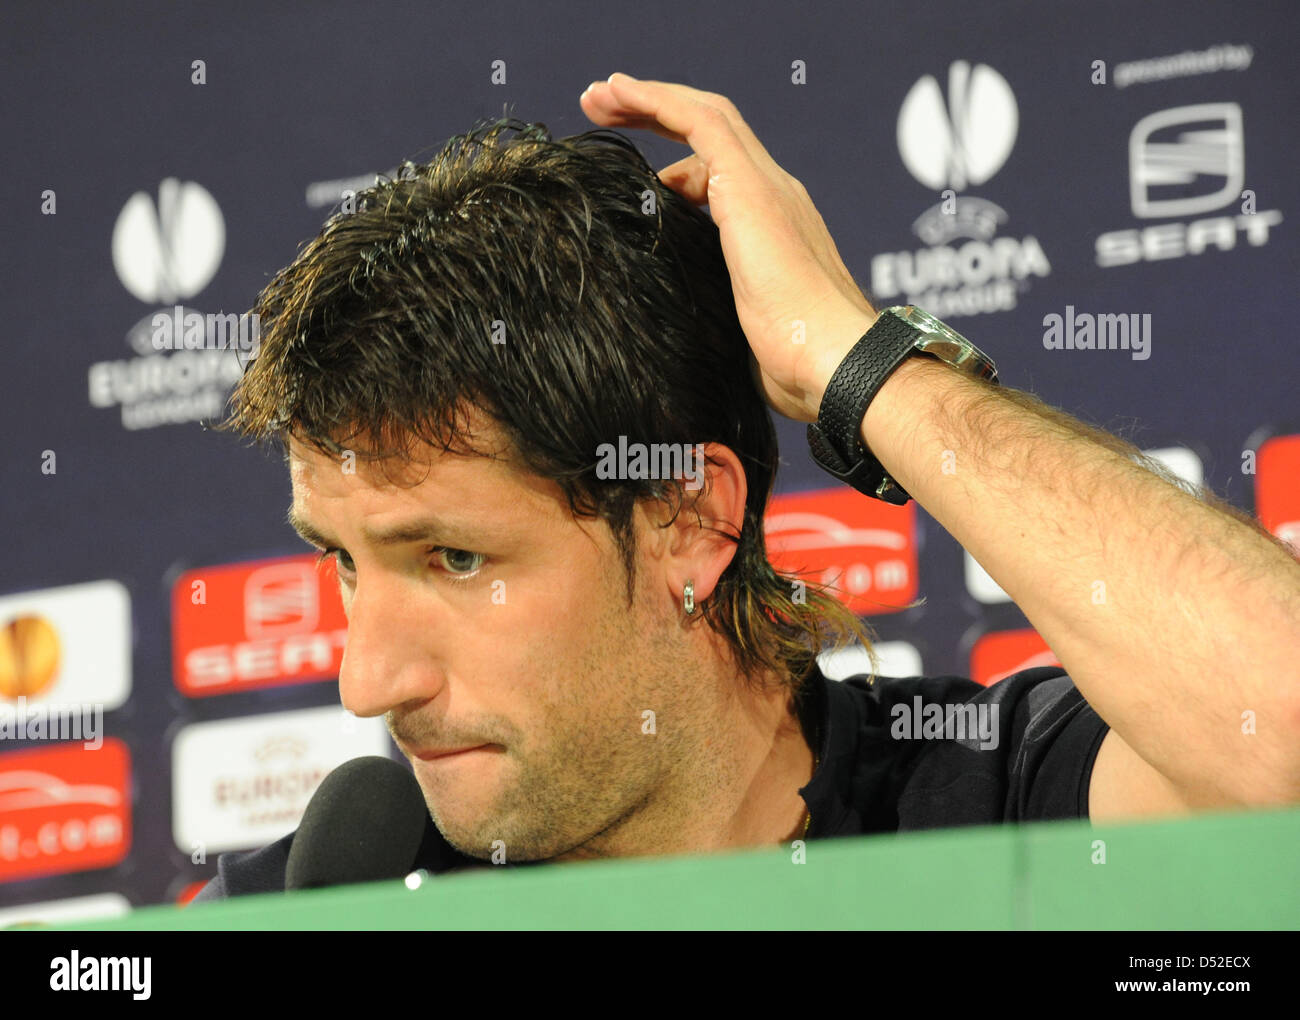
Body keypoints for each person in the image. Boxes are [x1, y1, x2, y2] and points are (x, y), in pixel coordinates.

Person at [193, 74, 1299, 902]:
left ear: (689, 518)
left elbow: (1279, 734)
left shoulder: (992, 805)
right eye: (343, 560)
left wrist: (853, 361)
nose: (366, 679)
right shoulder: (312, 907)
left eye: (456, 558)